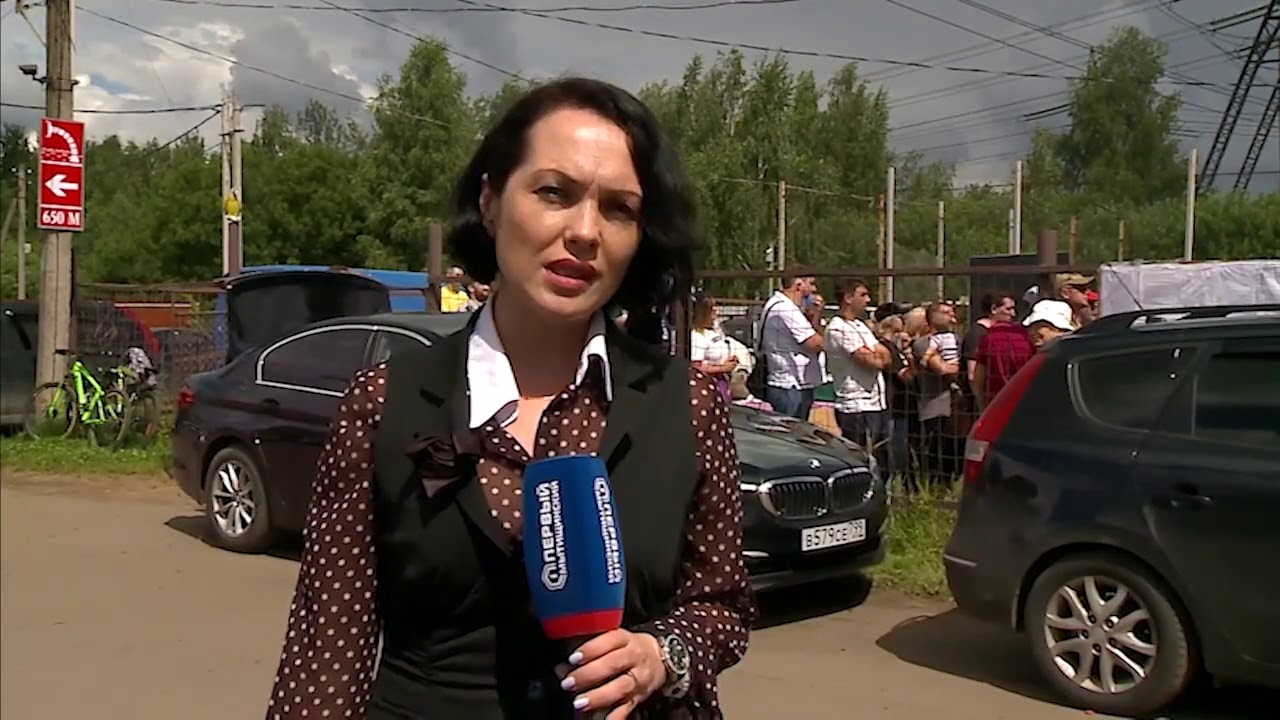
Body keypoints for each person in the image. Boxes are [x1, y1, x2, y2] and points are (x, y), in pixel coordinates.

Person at [266, 77, 755, 719]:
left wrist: (662, 653)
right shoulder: (382, 403)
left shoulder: (687, 404)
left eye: (619, 209)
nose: (585, 232)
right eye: (554, 193)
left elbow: (724, 605)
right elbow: (325, 654)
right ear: (491, 201)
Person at [823, 278, 891, 458]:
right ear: (848, 298)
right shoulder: (837, 328)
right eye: (863, 295)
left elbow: (885, 354)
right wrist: (875, 355)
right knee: (860, 456)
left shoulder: (860, 326)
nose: (868, 300)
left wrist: (877, 355)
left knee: (880, 457)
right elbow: (872, 361)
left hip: (876, 403)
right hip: (855, 406)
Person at [759, 271, 824, 420]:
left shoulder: (784, 306)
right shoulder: (785, 308)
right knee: (790, 431)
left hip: (797, 384)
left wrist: (815, 315)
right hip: (789, 386)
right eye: (811, 284)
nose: (814, 289)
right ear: (798, 284)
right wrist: (835, 339)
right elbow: (812, 343)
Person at [689, 295, 737, 401]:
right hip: (707, 385)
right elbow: (696, 367)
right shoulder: (697, 335)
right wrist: (723, 368)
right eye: (711, 307)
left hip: (722, 382)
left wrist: (727, 361)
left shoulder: (715, 331)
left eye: (716, 305)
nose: (715, 309)